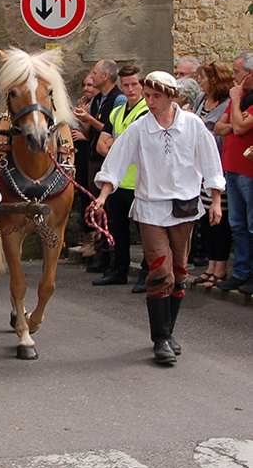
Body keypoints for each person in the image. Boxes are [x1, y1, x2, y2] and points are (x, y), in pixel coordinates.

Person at [93, 72, 224, 364]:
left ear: (171, 96)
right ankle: (160, 339)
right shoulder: (140, 128)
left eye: (156, 97)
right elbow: (116, 160)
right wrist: (102, 196)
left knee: (179, 271)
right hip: (151, 208)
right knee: (160, 270)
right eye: (147, 96)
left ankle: (168, 331)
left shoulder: (192, 125)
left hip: (185, 208)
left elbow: (211, 161)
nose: (150, 102)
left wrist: (215, 200)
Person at [93, 65, 148, 286]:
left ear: (141, 85)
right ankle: (119, 270)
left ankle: (147, 273)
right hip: (117, 182)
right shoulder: (117, 112)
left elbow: (136, 148)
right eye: (125, 85)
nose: (130, 89)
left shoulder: (145, 112)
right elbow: (100, 144)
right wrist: (119, 151)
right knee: (118, 229)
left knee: (144, 231)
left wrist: (117, 149)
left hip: (138, 182)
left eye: (134, 84)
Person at [73, 60, 126, 272]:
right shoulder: (98, 99)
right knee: (96, 207)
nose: (91, 77)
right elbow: (92, 131)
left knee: (109, 212)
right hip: (94, 156)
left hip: (107, 159)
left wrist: (89, 119)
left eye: (95, 73)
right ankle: (101, 255)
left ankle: (112, 259)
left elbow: (110, 129)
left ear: (105, 76)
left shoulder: (117, 99)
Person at [213, 51, 253, 294]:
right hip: (233, 167)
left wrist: (236, 103)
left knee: (251, 225)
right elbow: (220, 127)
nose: (233, 77)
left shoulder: (240, 97)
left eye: (237, 72)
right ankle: (241, 271)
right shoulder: (240, 98)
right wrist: (236, 122)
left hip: (249, 171)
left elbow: (238, 126)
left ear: (249, 73)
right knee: (237, 223)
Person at [191, 61, 233, 288]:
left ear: (215, 80)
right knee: (206, 219)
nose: (199, 81)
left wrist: (201, 128)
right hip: (200, 168)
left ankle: (221, 267)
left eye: (203, 77)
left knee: (220, 219)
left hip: (218, 165)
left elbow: (221, 135)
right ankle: (210, 265)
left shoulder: (227, 103)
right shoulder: (200, 100)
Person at [71, 75, 96, 257]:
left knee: (92, 194)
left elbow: (103, 131)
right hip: (80, 153)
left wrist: (84, 137)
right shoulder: (80, 104)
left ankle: (95, 240)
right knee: (82, 193)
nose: (87, 88)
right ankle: (87, 238)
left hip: (91, 150)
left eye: (91, 85)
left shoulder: (98, 105)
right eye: (85, 85)